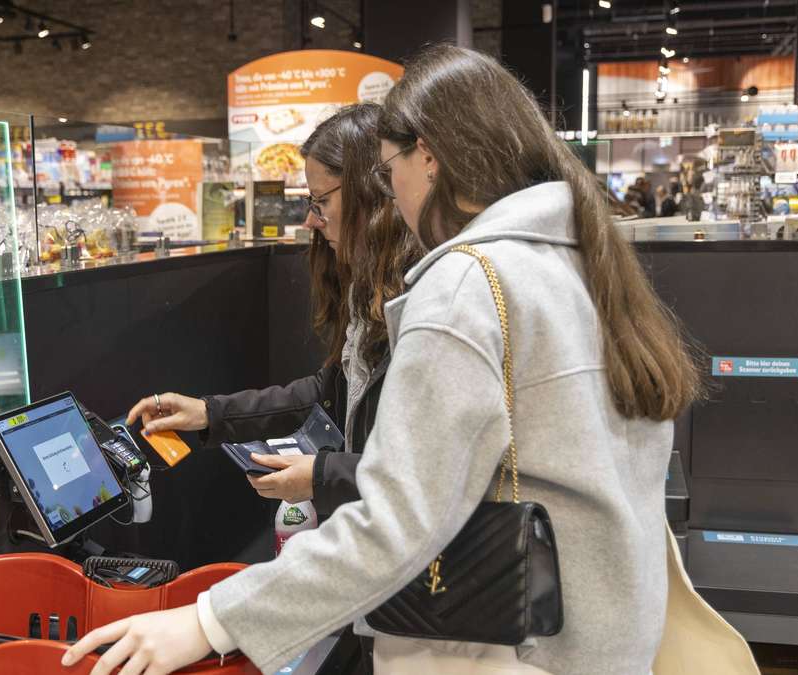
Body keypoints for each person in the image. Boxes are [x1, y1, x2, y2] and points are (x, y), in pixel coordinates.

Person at [64, 44, 701, 675]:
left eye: (390, 166)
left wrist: (208, 621)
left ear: (428, 154)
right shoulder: (582, 259)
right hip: (603, 639)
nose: (390, 189)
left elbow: (396, 522)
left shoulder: (466, 284)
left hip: (512, 650)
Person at [127, 103, 421, 515]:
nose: (310, 221)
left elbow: (428, 472)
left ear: (369, 194)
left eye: (321, 201)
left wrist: (321, 476)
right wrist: (210, 413)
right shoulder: (367, 287)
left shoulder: (424, 298)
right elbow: (328, 392)